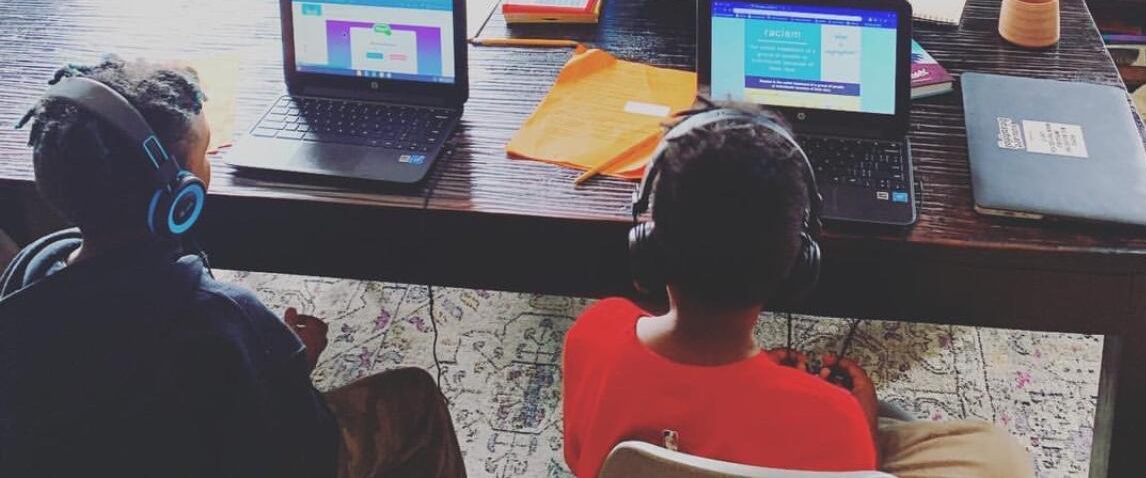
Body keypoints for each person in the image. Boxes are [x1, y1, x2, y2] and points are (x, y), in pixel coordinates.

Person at [0, 57, 465, 478]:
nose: (209, 170)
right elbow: (301, 452)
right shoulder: (220, 317)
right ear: (179, 197)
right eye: (204, 156)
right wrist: (286, 363)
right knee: (413, 398)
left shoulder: (25, 278)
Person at [562, 109, 1032, 478]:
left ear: (648, 249)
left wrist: (761, 378)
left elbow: (580, 456)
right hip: (834, 432)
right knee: (997, 456)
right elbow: (855, 472)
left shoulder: (594, 334)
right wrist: (860, 418)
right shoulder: (830, 418)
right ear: (797, 268)